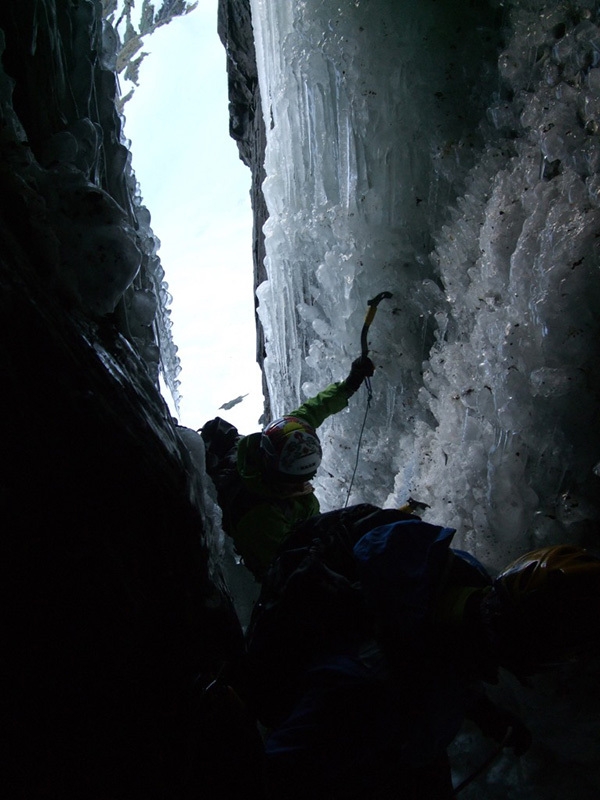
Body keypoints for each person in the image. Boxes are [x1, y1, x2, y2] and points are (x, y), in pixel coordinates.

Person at [243, 506, 600, 799]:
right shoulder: (367, 684)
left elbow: (449, 650)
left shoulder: (448, 581)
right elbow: (280, 772)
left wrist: (486, 713)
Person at [201, 356, 375, 581]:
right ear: (279, 477)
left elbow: (314, 410)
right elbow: (286, 571)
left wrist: (350, 384)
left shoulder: (284, 437)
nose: (305, 485)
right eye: (300, 480)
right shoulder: (260, 517)